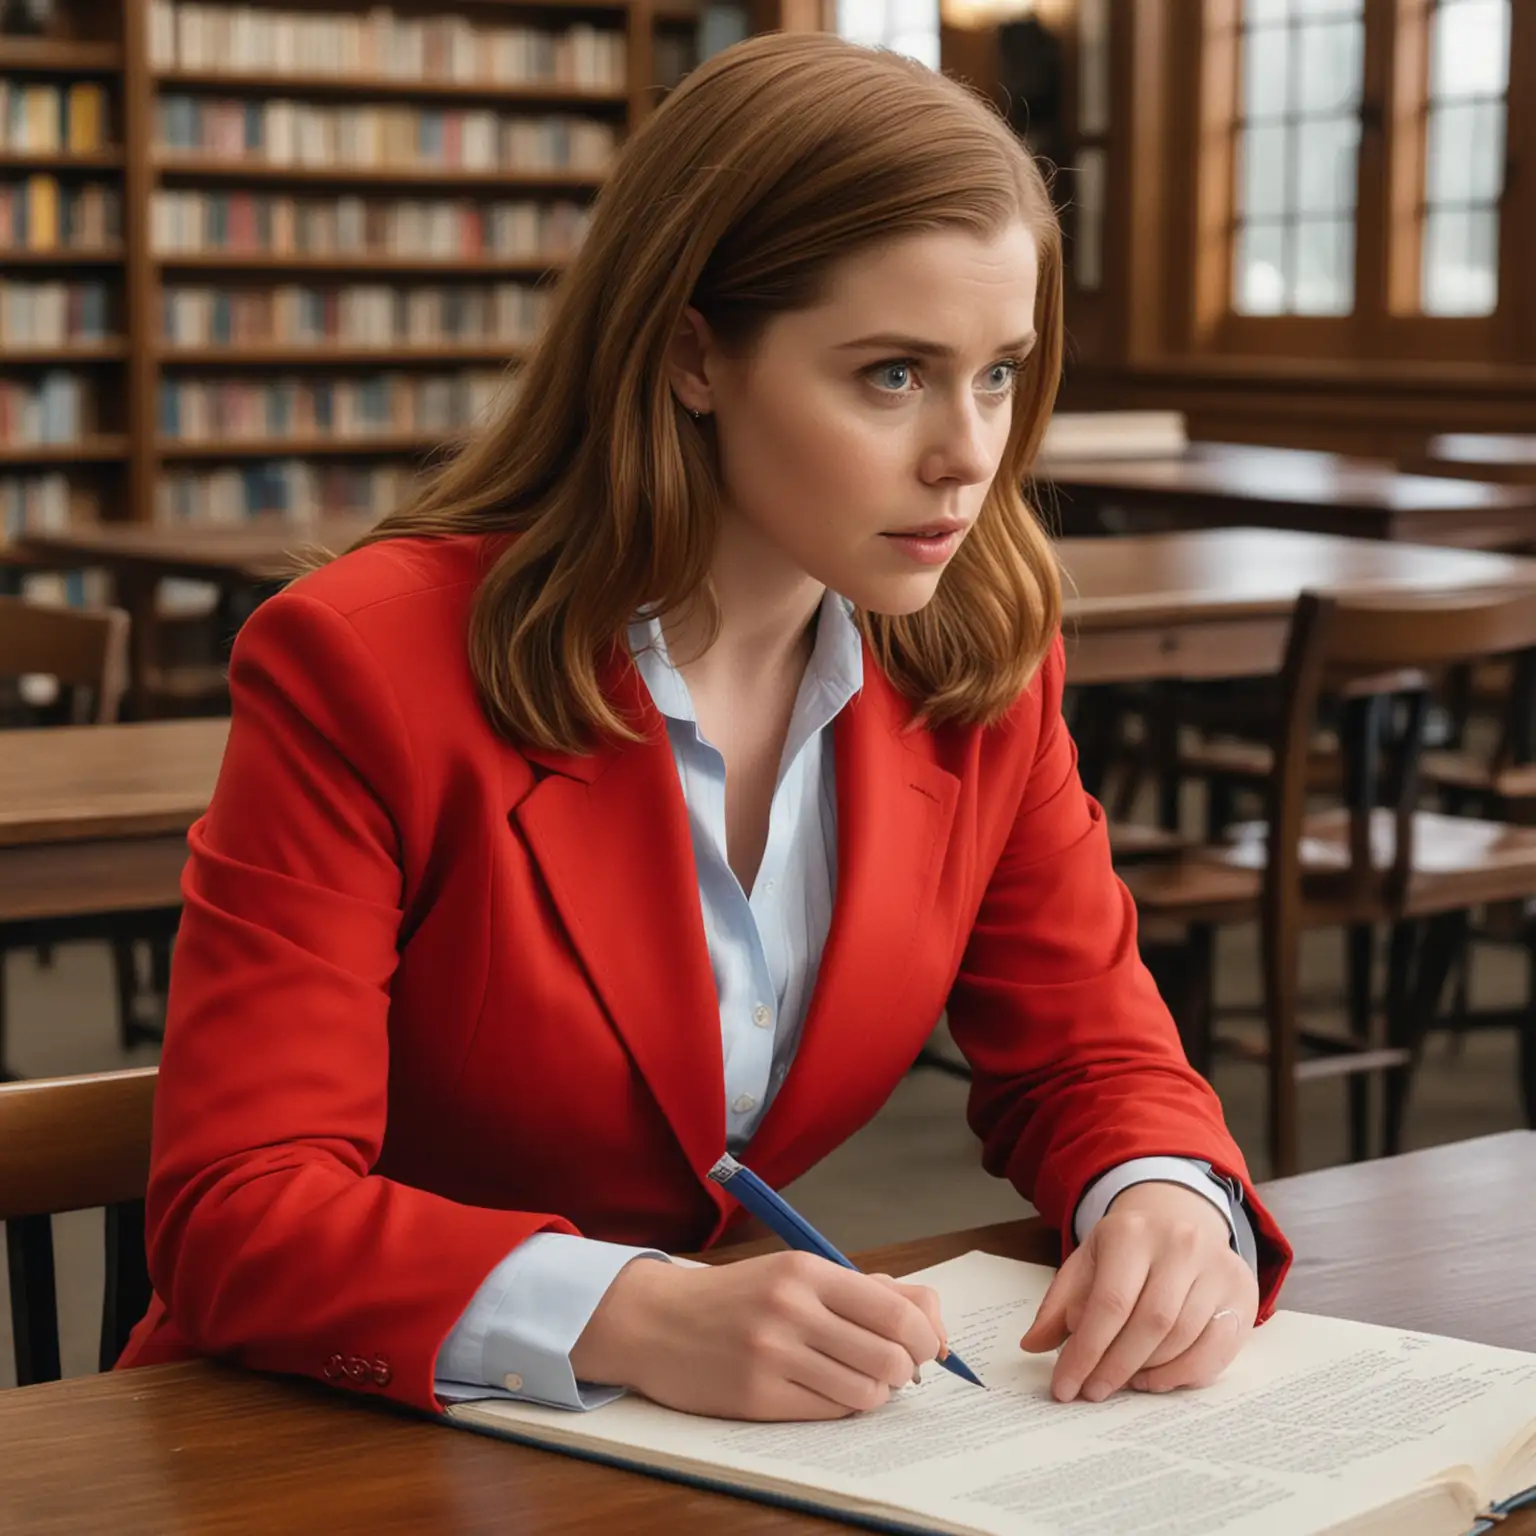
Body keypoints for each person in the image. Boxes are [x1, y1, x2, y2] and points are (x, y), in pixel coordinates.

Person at [120, 31, 1291, 1422]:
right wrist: (629, 1310)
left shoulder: (976, 660)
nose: (969, 454)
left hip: (689, 1441)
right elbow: (238, 1211)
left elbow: (1093, 1057)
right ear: (692, 357)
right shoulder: (363, 663)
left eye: (998, 373)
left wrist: (1165, 1200)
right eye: (892, 375)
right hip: (307, 1431)